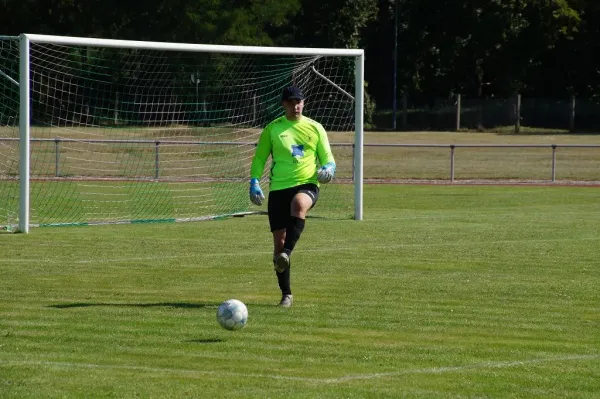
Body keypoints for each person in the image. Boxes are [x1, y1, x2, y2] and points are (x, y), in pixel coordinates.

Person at [248, 86, 336, 308]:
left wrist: (328, 170)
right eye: (291, 102)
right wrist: (254, 181)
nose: (296, 106)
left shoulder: (315, 128)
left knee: (299, 204)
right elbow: (259, 158)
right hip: (278, 189)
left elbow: (328, 159)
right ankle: (286, 293)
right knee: (279, 244)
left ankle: (287, 253)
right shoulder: (273, 129)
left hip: (307, 184)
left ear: (304, 103)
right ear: (283, 105)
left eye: (299, 101)